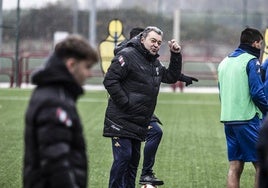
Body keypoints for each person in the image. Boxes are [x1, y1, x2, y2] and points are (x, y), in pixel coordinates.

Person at [114, 27, 198, 186]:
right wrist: (125, 102)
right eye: (153, 41)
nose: (156, 45)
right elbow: (111, 80)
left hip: (140, 117)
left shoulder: (150, 60)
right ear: (141, 39)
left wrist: (176, 56)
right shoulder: (127, 56)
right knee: (123, 159)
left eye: (159, 43)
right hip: (124, 117)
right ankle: (145, 173)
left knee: (132, 161)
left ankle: (145, 174)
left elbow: (164, 73)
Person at [23, 35, 99, 188]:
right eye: (87, 67)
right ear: (71, 65)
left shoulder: (57, 93)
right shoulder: (54, 101)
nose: (90, 74)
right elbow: (55, 162)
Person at [217, 27, 268, 188]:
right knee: (261, 164)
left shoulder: (224, 61)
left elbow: (221, 92)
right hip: (247, 119)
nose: (261, 47)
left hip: (228, 119)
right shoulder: (251, 61)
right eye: (261, 44)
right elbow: (257, 92)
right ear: (255, 43)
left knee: (235, 166)